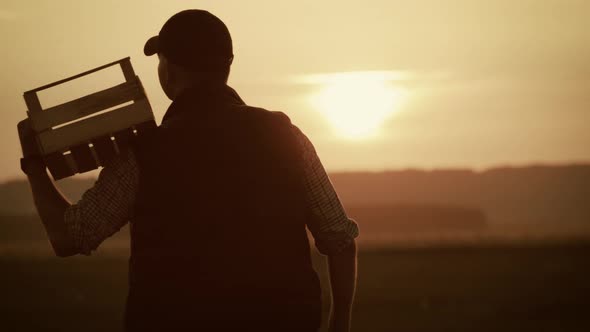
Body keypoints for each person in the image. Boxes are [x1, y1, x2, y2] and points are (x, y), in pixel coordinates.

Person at [19, 9, 358, 332]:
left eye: (161, 59)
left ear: (169, 69)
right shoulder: (286, 136)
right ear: (228, 65)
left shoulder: (146, 152)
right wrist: (339, 323)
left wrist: (35, 167)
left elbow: (70, 237)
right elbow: (339, 240)